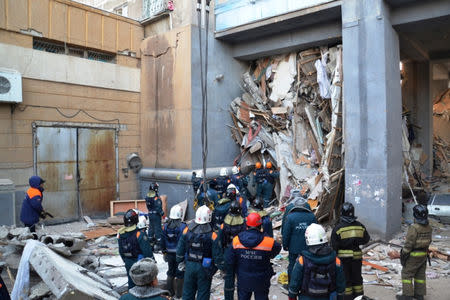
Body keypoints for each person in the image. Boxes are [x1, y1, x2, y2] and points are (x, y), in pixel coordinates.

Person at [228, 212, 281, 300]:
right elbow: (277, 249)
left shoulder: (236, 240)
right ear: (260, 225)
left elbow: (230, 260)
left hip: (243, 278)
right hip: (262, 279)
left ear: (246, 225)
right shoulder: (268, 241)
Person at [176, 205, 224, 300]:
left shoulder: (187, 230)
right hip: (205, 267)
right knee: (203, 293)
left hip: (189, 265)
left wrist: (179, 260)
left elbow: (180, 249)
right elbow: (217, 255)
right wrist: (222, 267)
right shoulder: (212, 235)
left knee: (188, 292)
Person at [288, 223, 346, 300]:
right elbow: (340, 283)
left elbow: (295, 282)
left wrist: (292, 295)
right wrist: (340, 296)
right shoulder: (336, 260)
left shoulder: (302, 260)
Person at [330, 202, 371, 300]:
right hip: (357, 258)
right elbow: (366, 239)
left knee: (346, 280)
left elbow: (334, 247)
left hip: (343, 260)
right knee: (357, 280)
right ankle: (359, 297)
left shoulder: (338, 229)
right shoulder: (360, 226)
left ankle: (347, 298)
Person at [396, 204, 432, 300]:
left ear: (415, 215)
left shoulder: (414, 228)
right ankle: (419, 295)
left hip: (413, 255)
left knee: (406, 274)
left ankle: (407, 296)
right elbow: (430, 241)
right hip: (424, 255)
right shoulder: (429, 227)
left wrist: (403, 254)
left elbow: (409, 244)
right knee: (420, 275)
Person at [282, 196, 317, 283]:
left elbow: (286, 233)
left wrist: (285, 245)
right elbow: (316, 231)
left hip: (294, 248)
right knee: (307, 265)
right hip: (308, 247)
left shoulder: (290, 217)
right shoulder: (311, 216)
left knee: (292, 265)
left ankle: (292, 284)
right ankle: (306, 284)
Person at [118, 209, 154, 289]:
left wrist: (126, 260)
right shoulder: (139, 234)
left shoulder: (121, 234)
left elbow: (121, 251)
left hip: (128, 262)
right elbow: (147, 252)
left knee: (131, 283)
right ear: (136, 220)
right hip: (139, 263)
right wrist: (153, 261)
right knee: (143, 284)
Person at [218, 200, 247, 300]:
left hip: (228, 251)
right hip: (240, 252)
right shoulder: (244, 224)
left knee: (229, 277)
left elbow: (220, 241)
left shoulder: (224, 224)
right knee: (241, 276)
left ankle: (228, 298)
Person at [161, 205, 186, 298]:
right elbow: (183, 243)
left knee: (170, 272)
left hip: (169, 253)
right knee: (180, 273)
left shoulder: (165, 226)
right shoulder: (183, 227)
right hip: (179, 255)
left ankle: (170, 293)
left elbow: (162, 240)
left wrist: (164, 252)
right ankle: (179, 295)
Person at [145, 182, 164, 251]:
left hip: (150, 214)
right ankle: (159, 245)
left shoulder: (147, 197)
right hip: (156, 216)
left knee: (151, 228)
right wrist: (162, 213)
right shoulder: (156, 198)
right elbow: (158, 208)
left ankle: (150, 243)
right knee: (157, 229)